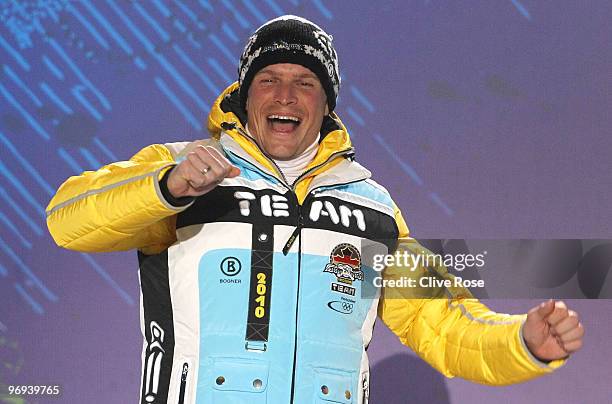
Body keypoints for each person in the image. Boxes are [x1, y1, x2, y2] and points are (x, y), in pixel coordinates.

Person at [46, 15, 584, 404]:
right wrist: (165, 187)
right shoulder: (182, 166)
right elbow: (68, 219)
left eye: (305, 83)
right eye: (269, 80)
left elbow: (437, 320)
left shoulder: (370, 204)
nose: (286, 96)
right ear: (244, 94)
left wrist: (522, 344)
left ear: (326, 104)